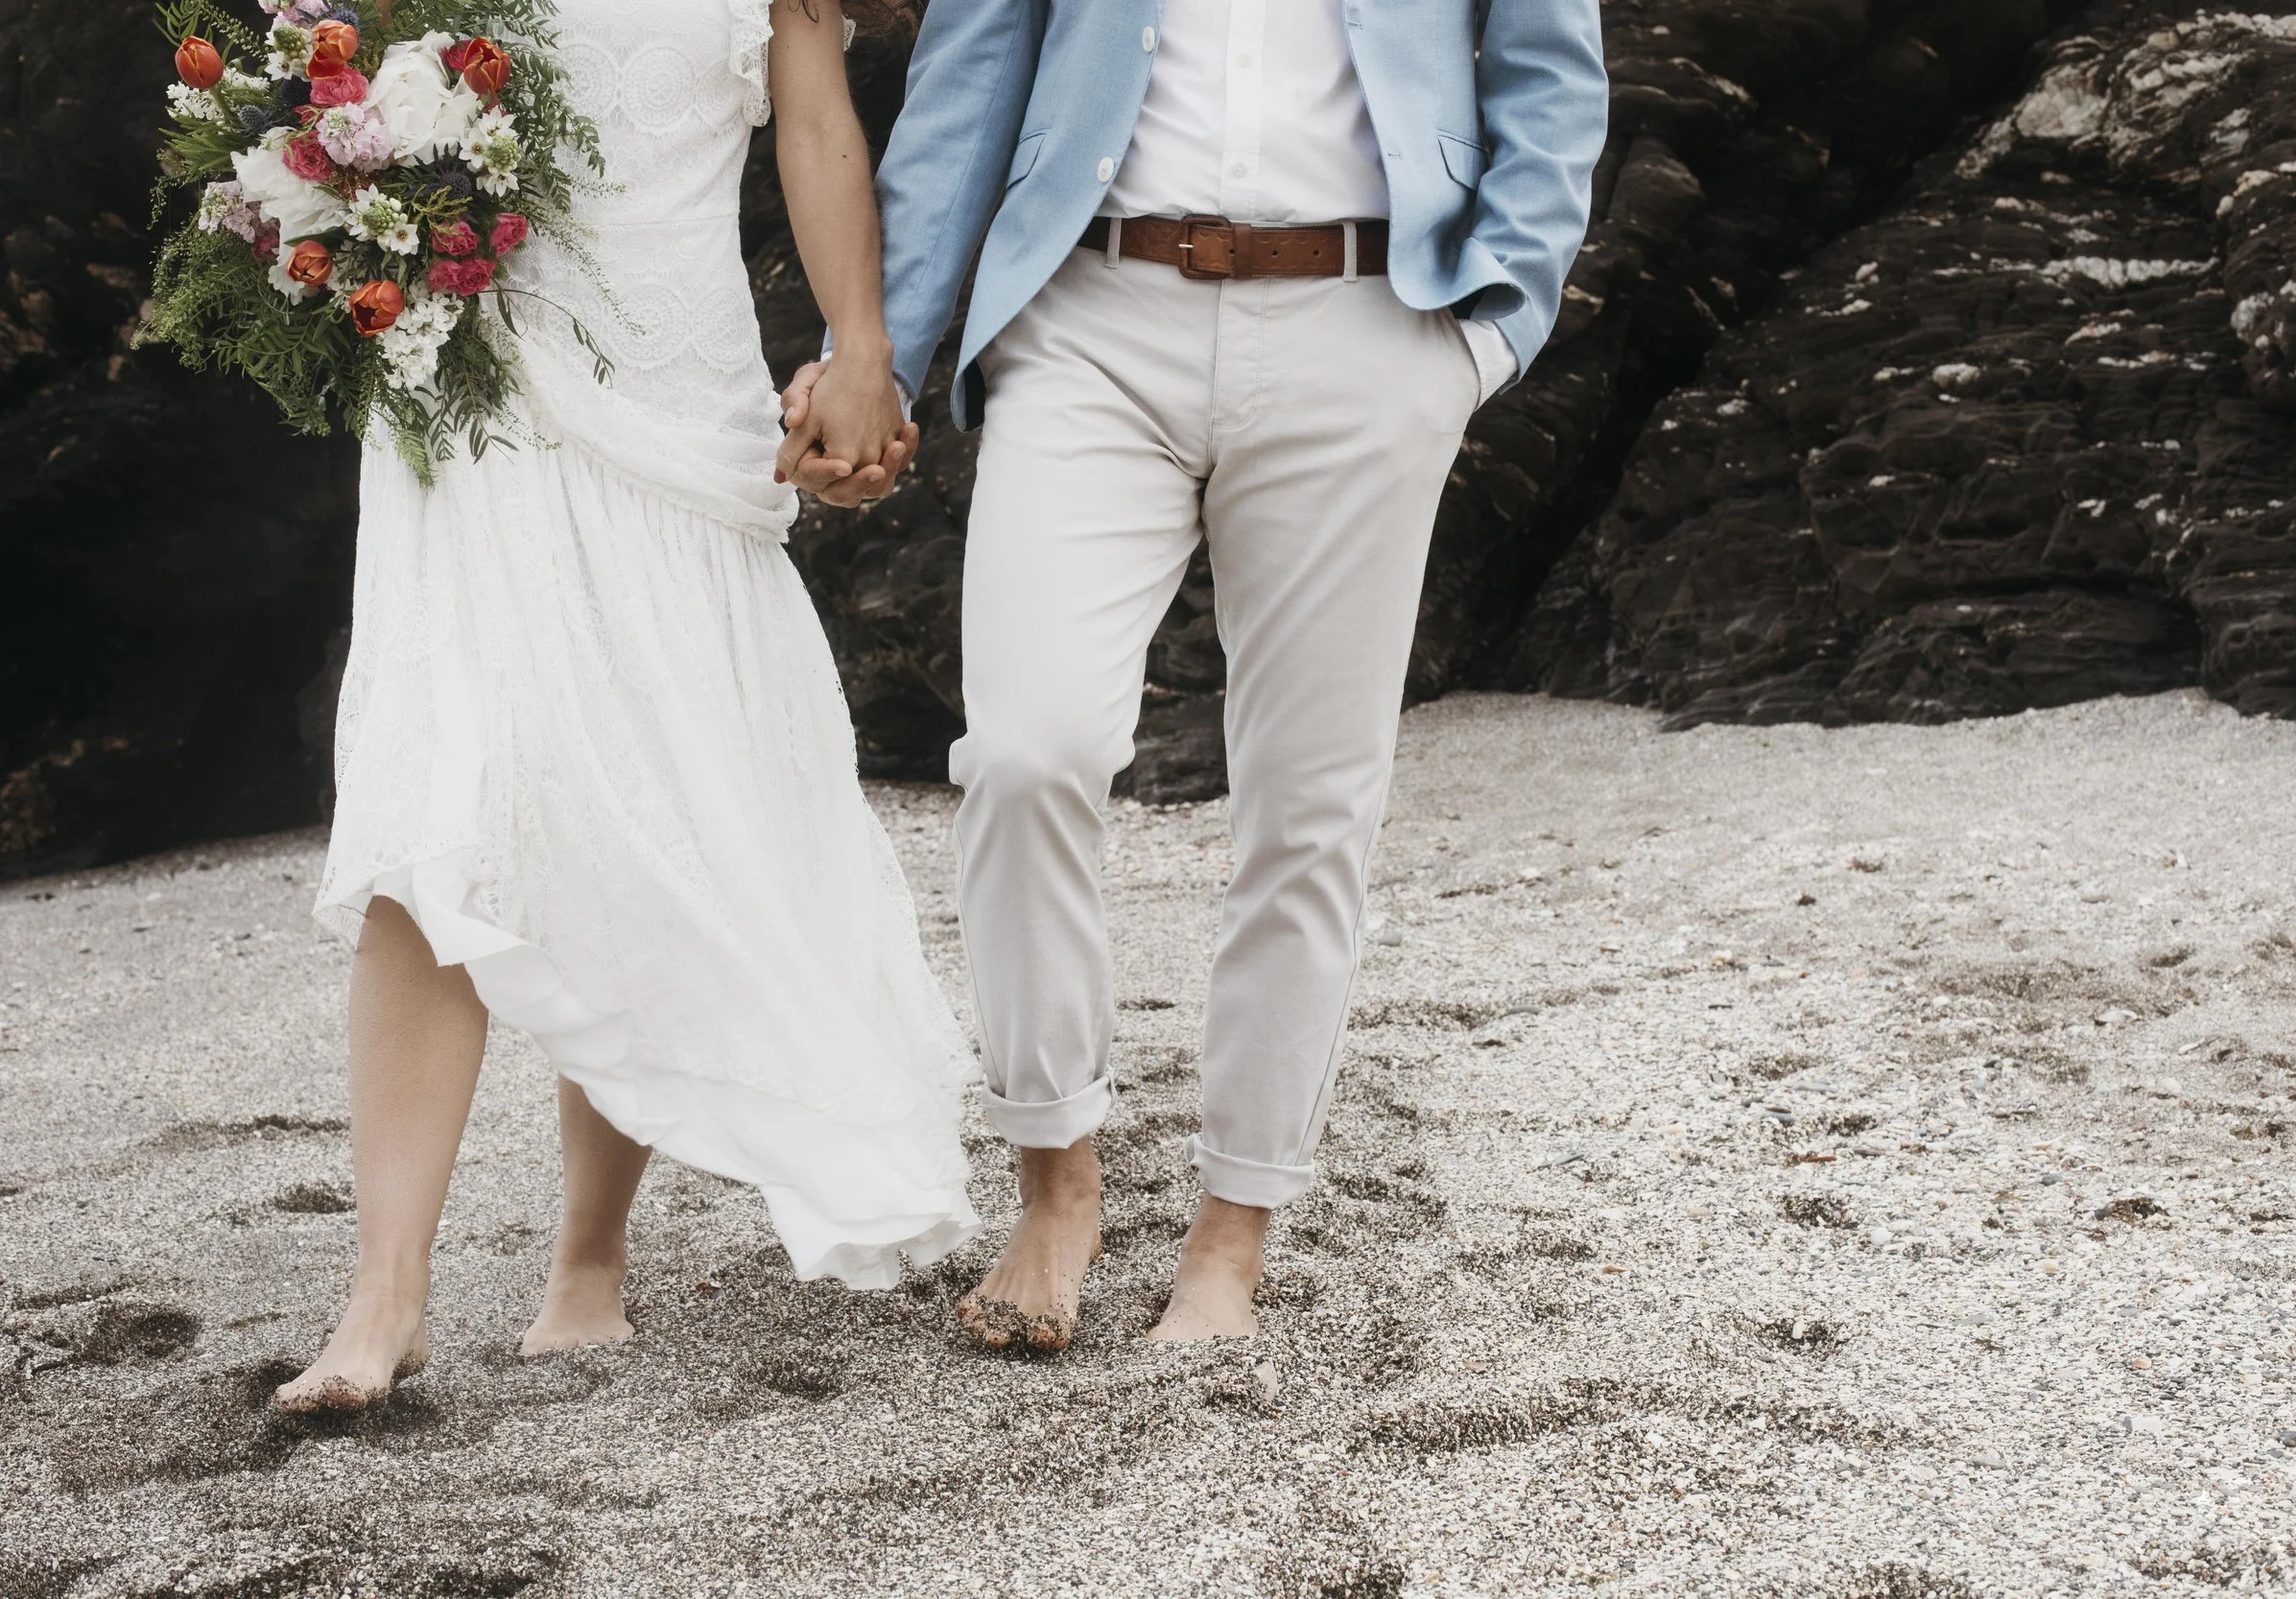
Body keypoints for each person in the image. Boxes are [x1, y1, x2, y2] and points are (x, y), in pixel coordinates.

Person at [782, 0, 1609, 1346]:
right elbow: (972, 67)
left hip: (1370, 322)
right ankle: (1057, 1182)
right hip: (1092, 317)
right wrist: (885, 357)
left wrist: (1487, 338)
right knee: (1025, 750)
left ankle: (1231, 1237)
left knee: (1309, 805)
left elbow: (1552, 75)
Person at [277, 0, 975, 1413]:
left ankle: (586, 1267)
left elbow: (823, 127)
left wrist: (859, 344)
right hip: (465, 394)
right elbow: (336, 72)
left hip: (674, 408)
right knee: (437, 803)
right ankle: (383, 1296)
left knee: (640, 796)